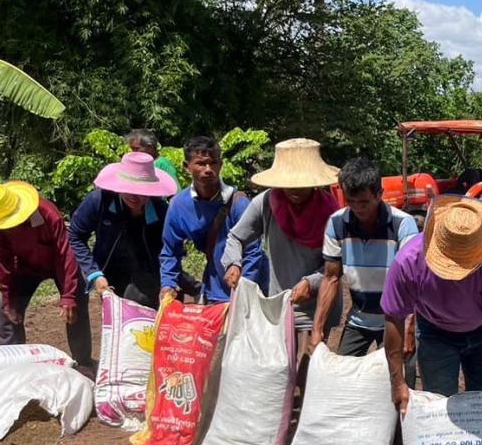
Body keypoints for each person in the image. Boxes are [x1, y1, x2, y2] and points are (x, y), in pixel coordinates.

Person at [381, 197, 482, 414]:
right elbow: (393, 317)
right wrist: (397, 382)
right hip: (434, 332)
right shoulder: (408, 261)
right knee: (439, 409)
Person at [223, 138, 340, 347]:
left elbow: (338, 264)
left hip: (319, 304)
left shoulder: (332, 212)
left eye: (301, 186)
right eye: (288, 185)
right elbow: (236, 236)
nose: (294, 191)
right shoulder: (267, 202)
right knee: (282, 371)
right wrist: (233, 263)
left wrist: (311, 282)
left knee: (309, 371)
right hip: (280, 303)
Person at [0, 181, 94, 372]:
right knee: (5, 308)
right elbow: (3, 263)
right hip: (26, 267)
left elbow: (65, 253)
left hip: (59, 262)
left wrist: (68, 296)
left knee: (77, 302)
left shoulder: (47, 213)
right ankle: (11, 364)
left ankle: (83, 362)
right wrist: (9, 298)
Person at [312, 156, 419, 358]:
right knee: (343, 375)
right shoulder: (336, 223)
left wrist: (408, 328)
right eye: (351, 201)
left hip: (396, 320)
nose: (358, 208)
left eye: (364, 202)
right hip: (358, 320)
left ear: (380, 194)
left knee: (399, 383)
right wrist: (317, 330)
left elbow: (411, 281)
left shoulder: (402, 225)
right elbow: (331, 277)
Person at [160, 134, 267, 303]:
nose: (208, 169)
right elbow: (170, 251)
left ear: (221, 165)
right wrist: (168, 284)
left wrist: (244, 293)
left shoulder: (238, 203)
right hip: (214, 289)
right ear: (187, 167)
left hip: (251, 288)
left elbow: (253, 252)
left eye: (213, 163)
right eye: (201, 164)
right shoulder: (178, 205)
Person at [68, 151, 178, 307]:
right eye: (128, 189)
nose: (133, 196)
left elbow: (170, 248)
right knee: (115, 314)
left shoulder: (161, 211)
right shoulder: (98, 201)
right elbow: (75, 235)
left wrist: (169, 281)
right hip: (109, 271)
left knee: (140, 306)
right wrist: (94, 273)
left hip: (149, 272)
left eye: (141, 191)